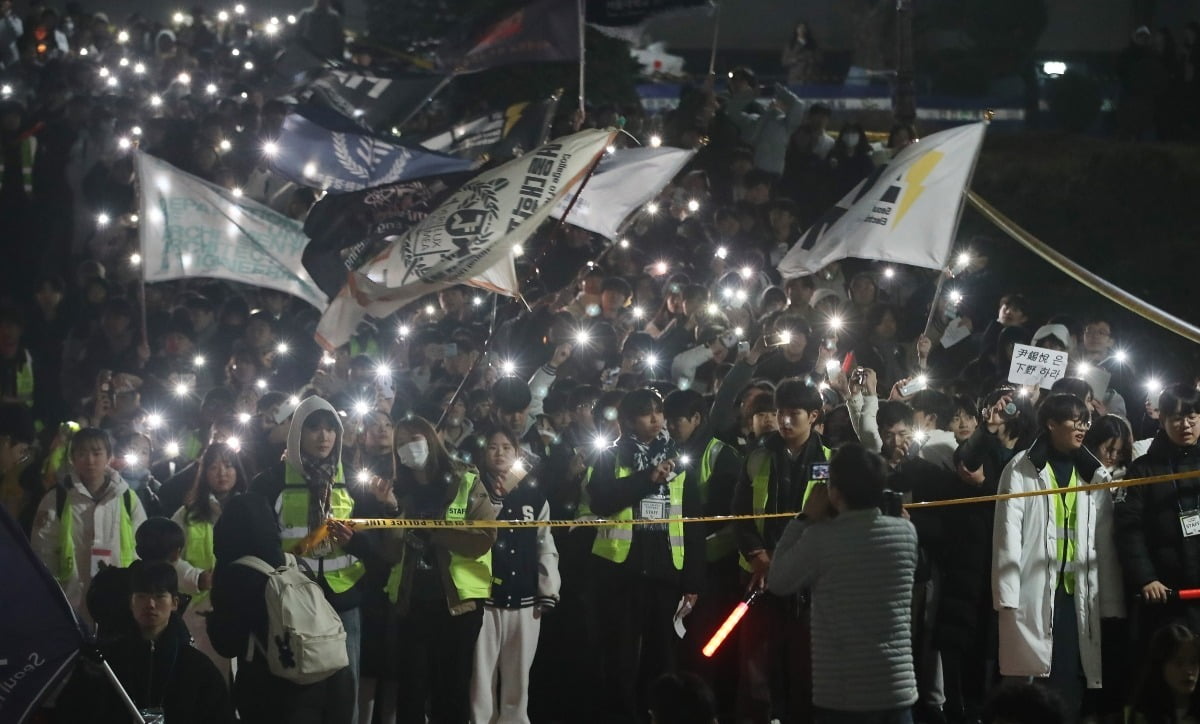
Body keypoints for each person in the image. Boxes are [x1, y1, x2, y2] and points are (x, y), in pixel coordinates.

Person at [992, 394, 1125, 722]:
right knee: (1038, 681)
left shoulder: (1094, 474)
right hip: (1035, 589)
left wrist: (1109, 601)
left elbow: (1104, 542)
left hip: (1079, 593)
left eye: (1086, 421)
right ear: (1051, 423)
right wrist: (1007, 594)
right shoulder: (1021, 467)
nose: (1082, 427)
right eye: (1074, 420)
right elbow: (1007, 534)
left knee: (1073, 679)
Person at [768, 442, 919, 724]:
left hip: (842, 694)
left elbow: (777, 580)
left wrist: (804, 518)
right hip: (896, 689)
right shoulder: (906, 533)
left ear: (834, 493)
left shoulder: (821, 538)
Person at [582, 387, 704, 723]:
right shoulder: (609, 457)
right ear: (628, 421)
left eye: (659, 411)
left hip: (666, 573)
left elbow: (693, 523)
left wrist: (693, 579)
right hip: (620, 573)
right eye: (646, 413)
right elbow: (601, 501)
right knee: (619, 661)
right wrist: (647, 479)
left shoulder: (679, 461)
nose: (655, 419)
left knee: (663, 661)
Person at [251, 396, 372, 719]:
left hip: (343, 600)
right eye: (314, 428)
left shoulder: (354, 480)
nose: (324, 437)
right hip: (293, 603)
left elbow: (377, 542)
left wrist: (356, 541)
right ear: (296, 433)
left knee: (345, 692)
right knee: (297, 691)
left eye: (331, 429)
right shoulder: (270, 482)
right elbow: (259, 541)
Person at [382, 415, 498, 724]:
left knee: (452, 690)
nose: (409, 448)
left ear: (431, 439)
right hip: (412, 603)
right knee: (411, 690)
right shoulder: (397, 491)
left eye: (415, 439)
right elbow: (390, 553)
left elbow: (485, 537)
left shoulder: (464, 479)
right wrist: (391, 512)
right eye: (402, 444)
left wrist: (435, 534)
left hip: (457, 605)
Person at [207, 492, 355, 723]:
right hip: (329, 681)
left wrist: (211, 618)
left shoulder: (235, 574)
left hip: (270, 695)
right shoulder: (296, 564)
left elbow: (226, 643)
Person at [732, 377, 830, 723]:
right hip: (761, 578)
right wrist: (758, 556)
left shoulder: (832, 462)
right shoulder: (756, 457)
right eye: (780, 413)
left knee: (806, 669)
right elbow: (741, 515)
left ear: (814, 416)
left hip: (810, 584)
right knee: (756, 668)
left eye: (794, 414)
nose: (784, 422)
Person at [57, 560, 234, 724]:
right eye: (141, 596)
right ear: (131, 602)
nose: (150, 604)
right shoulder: (105, 662)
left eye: (159, 596)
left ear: (174, 603)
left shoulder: (196, 666)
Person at [471, 427, 560, 724]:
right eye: (493, 447)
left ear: (517, 452)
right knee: (480, 680)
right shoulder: (473, 489)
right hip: (484, 600)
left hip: (525, 600)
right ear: (483, 453)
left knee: (518, 681)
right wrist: (494, 502)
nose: (499, 453)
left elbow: (545, 543)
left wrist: (548, 587)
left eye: (506, 447)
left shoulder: (534, 495)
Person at [32, 426, 148, 623]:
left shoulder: (127, 497)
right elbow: (43, 551)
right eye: (82, 454)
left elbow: (143, 546)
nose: (90, 461)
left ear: (109, 456)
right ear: (73, 458)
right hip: (71, 601)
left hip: (120, 600)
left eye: (97, 453)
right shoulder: (57, 499)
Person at [1116, 383, 1200, 641]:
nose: (1185, 424)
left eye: (1192, 417)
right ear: (1162, 419)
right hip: (1165, 592)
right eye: (1177, 418)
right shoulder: (1143, 469)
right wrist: (1146, 577)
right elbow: (1128, 528)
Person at [172, 442, 247, 677]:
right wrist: (196, 578)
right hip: (200, 610)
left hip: (244, 606)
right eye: (214, 467)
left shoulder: (251, 510)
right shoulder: (187, 514)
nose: (222, 473)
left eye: (228, 466)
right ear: (204, 474)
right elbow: (169, 558)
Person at [1128, 623, 1200, 724]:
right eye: (1178, 663)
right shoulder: (1145, 713)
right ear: (1160, 666)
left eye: (1193, 662)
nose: (1189, 671)